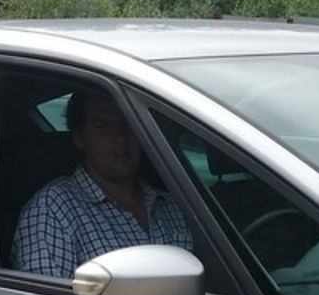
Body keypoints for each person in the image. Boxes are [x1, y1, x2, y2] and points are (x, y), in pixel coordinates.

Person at [10, 92, 192, 275]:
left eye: (127, 124)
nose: (120, 138)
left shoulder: (170, 205)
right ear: (79, 137)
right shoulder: (53, 209)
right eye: (102, 127)